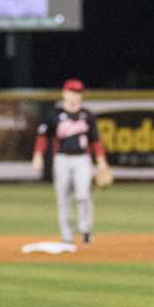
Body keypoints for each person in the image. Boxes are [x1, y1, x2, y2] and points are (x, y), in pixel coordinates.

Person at [31, 79, 110, 246]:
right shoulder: (54, 114)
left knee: (83, 195)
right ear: (65, 93)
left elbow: (95, 141)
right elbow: (43, 136)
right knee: (63, 197)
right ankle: (66, 235)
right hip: (62, 159)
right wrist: (38, 155)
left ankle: (85, 231)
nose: (75, 95)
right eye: (72, 92)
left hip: (83, 159)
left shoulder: (87, 115)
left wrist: (101, 161)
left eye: (78, 92)